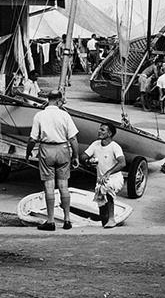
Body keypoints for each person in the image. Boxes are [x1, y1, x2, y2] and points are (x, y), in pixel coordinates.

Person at [25, 90, 80, 231]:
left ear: (48, 99)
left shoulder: (39, 115)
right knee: (63, 186)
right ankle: (67, 220)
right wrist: (75, 156)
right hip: (62, 149)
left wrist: (28, 151)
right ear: (58, 100)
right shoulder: (65, 115)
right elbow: (73, 138)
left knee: (49, 187)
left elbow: (32, 139)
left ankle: (50, 221)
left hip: (46, 150)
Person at [84, 123, 126, 229]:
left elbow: (122, 163)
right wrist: (88, 161)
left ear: (110, 133)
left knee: (106, 187)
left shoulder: (115, 146)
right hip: (101, 180)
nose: (99, 131)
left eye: (102, 130)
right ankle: (105, 223)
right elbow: (83, 156)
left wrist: (108, 173)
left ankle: (112, 219)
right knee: (102, 207)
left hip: (115, 178)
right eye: (99, 129)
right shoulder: (95, 144)